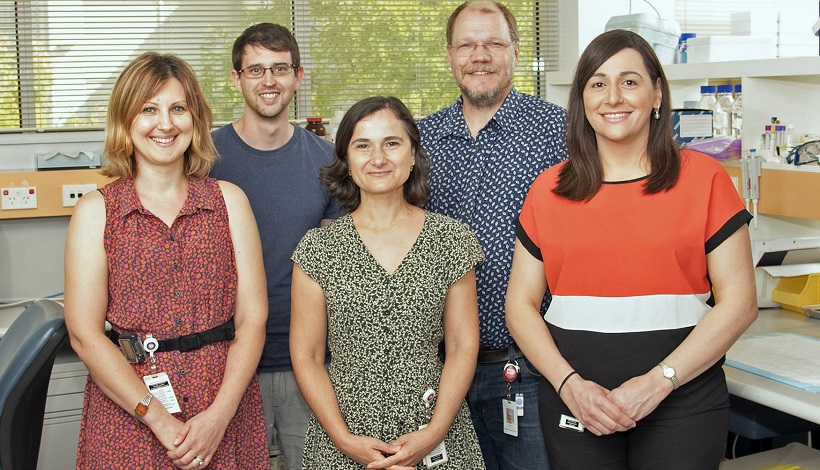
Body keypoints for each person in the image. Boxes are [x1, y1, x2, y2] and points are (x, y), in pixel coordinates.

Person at [505, 29, 758, 469]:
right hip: (577, 403)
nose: (613, 97)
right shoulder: (549, 190)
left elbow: (740, 303)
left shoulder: (704, 179)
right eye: (598, 83)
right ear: (582, 99)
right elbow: (520, 305)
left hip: (682, 401)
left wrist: (659, 382)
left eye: (629, 81)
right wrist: (569, 386)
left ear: (656, 93)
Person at [64, 52, 268, 469]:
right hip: (131, 413)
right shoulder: (96, 213)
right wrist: (158, 419)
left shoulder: (229, 203)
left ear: (195, 119)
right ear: (125, 121)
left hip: (223, 405)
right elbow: (85, 335)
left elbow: (253, 319)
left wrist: (219, 416)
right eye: (148, 110)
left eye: (178, 108)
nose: (165, 124)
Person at [290, 96, 486, 469]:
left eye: (391, 143)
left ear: (412, 155)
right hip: (345, 434)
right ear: (346, 161)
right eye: (363, 146)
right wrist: (344, 440)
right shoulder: (318, 249)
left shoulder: (452, 240)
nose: (378, 158)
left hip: (433, 430)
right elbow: (307, 356)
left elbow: (462, 345)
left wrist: (434, 432)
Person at [418, 1, 567, 468]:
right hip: (438, 372)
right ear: (449, 55)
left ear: (517, 51)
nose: (479, 56)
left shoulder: (560, 131)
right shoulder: (418, 140)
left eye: (493, 44)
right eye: (467, 45)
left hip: (529, 368)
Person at [209, 22, 343, 469]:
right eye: (256, 70)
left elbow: (334, 264)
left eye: (280, 69)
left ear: (298, 76)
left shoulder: (327, 160)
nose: (269, 81)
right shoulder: (203, 160)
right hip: (227, 365)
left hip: (309, 361)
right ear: (237, 79)